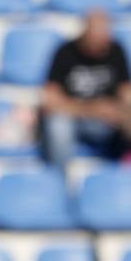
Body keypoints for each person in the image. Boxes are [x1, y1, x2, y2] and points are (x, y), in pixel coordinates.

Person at [41, 9, 131, 176]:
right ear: (86, 33)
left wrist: (119, 111)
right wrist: (91, 109)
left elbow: (126, 93)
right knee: (57, 125)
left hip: (107, 122)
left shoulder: (116, 50)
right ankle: (57, 182)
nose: (103, 43)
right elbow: (50, 100)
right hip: (75, 119)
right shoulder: (65, 52)